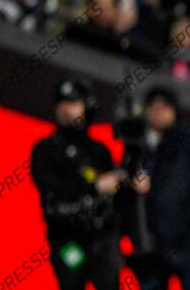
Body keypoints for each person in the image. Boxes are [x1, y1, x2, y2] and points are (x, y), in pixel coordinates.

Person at [127, 88, 190, 290]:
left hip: (186, 243)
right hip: (151, 247)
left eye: (163, 108)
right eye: (153, 108)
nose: (158, 113)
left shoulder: (189, 144)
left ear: (174, 111)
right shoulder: (139, 146)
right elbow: (128, 185)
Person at [31, 79, 124, 290]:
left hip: (102, 241)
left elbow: (116, 195)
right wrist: (94, 186)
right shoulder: (45, 149)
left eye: (73, 103)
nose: (66, 110)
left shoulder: (99, 151)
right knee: (71, 283)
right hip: (66, 241)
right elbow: (50, 187)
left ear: (86, 107)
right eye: (62, 103)